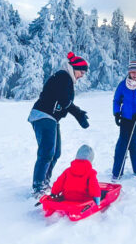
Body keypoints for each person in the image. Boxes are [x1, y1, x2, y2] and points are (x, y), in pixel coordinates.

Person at [29, 51, 90, 197]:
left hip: (51, 118)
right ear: (74, 68)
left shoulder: (65, 78)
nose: (82, 75)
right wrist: (78, 113)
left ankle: (44, 181)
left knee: (56, 152)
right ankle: (38, 186)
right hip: (43, 116)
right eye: (81, 71)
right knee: (47, 152)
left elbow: (64, 101)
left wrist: (78, 112)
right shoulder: (63, 76)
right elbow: (64, 99)